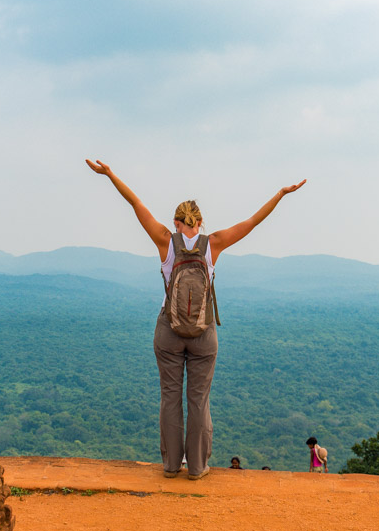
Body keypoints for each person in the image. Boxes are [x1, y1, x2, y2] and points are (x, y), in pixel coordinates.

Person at [86, 159, 306, 481]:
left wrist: (109, 175)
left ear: (176, 222)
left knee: (170, 398)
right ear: (200, 222)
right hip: (204, 333)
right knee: (199, 401)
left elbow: (135, 203)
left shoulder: (165, 240)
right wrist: (281, 194)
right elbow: (253, 221)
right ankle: (198, 467)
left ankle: (171, 466)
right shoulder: (213, 244)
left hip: (169, 330)